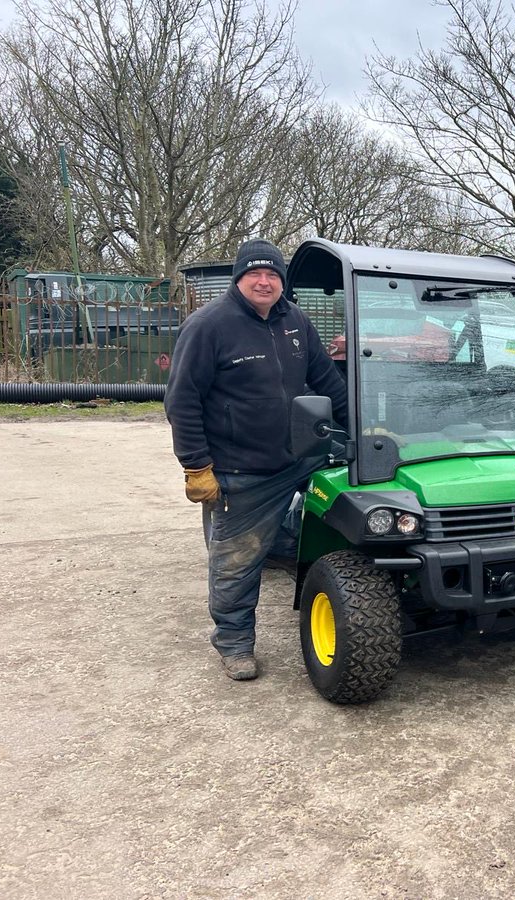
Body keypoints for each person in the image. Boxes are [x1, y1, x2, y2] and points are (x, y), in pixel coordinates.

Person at [165, 239, 348, 681]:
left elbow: (327, 380)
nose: (264, 282)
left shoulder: (295, 320)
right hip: (241, 468)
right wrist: (196, 465)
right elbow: (182, 399)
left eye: (273, 275)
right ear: (239, 278)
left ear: (282, 281)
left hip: (301, 453)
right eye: (255, 274)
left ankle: (287, 549)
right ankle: (233, 642)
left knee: (347, 505)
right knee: (236, 560)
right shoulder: (209, 325)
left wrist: (366, 430)